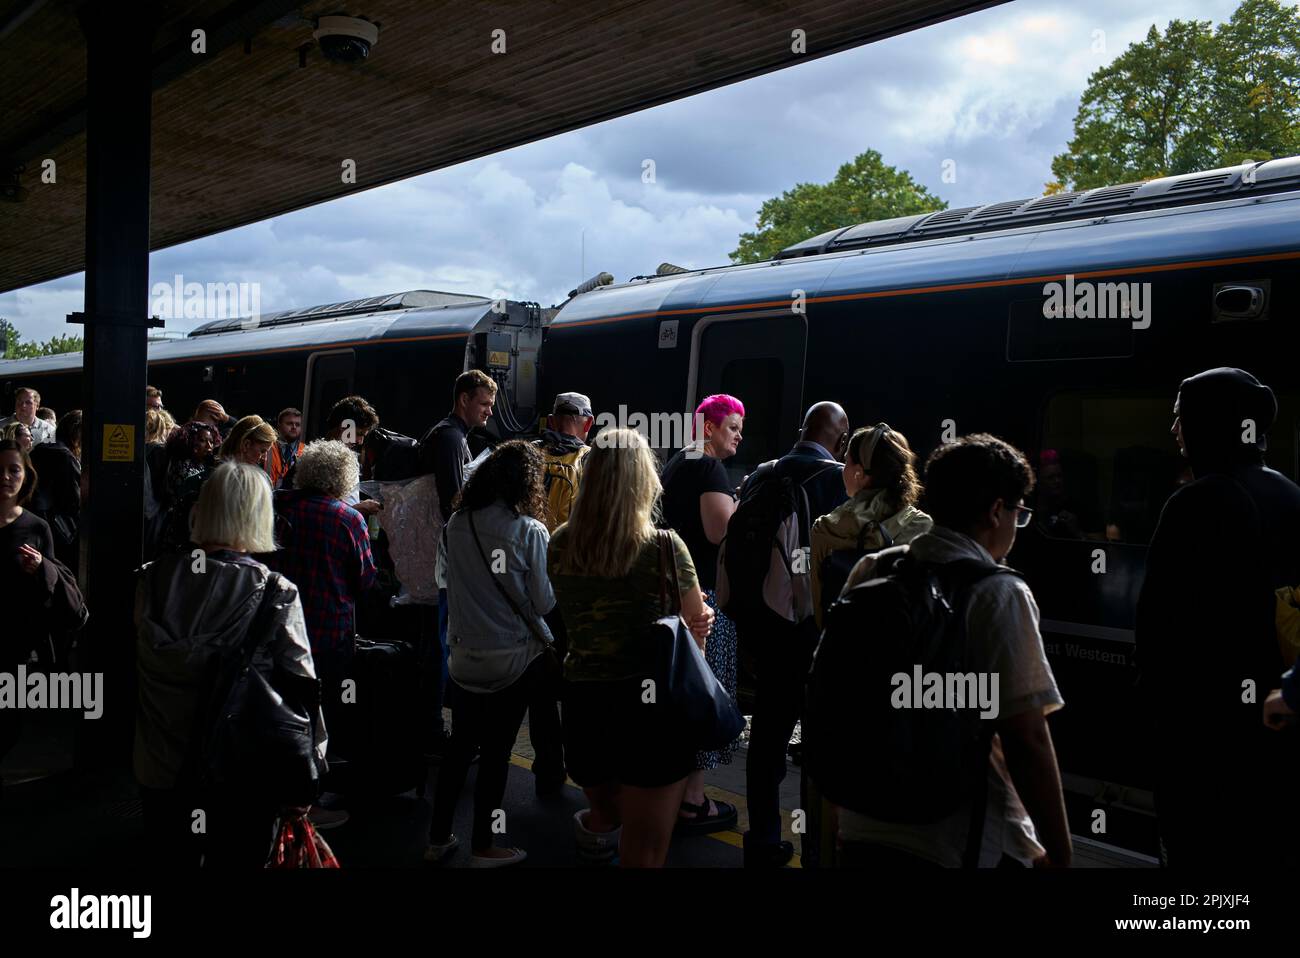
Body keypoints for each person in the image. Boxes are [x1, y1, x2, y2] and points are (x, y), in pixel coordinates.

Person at [836, 433, 1072, 869]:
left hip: (863, 822)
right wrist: (1060, 853)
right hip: (960, 838)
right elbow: (1028, 737)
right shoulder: (999, 592)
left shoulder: (873, 570)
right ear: (996, 510)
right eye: (1018, 513)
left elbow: (837, 695)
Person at [1137, 368, 1300, 868]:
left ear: (1210, 423)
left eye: (1181, 418)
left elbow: (1160, 632)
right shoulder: (1290, 494)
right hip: (1277, 723)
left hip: (1206, 738)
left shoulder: (1197, 501)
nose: (1174, 431)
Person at [134, 461, 326, 867]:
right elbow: (302, 686)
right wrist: (308, 771)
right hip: (241, 769)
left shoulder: (150, 579)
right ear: (260, 515)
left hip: (159, 766)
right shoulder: (276, 592)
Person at [548, 428, 714, 867]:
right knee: (645, 850)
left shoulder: (561, 542)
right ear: (644, 480)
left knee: (606, 813)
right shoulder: (664, 547)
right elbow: (693, 638)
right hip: (651, 711)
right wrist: (699, 624)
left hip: (584, 704)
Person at [425, 441, 557, 867]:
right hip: (513, 660)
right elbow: (543, 603)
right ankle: (485, 842)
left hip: (463, 657)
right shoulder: (529, 531)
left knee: (460, 748)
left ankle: (438, 837)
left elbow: (445, 582)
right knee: (497, 753)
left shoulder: (456, 525)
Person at [732, 400, 849, 867]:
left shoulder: (762, 473)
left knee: (766, 740)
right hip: (811, 633)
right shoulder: (835, 480)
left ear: (803, 429)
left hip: (761, 625)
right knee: (818, 747)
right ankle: (815, 850)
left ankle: (761, 840)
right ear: (840, 440)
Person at [268, 440, 378, 828]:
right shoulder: (347, 519)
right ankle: (308, 805)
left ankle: (278, 794)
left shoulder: (279, 510)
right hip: (329, 632)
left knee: (284, 712)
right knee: (320, 717)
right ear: (343, 478)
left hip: (280, 632)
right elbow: (365, 580)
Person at [418, 370, 498, 758]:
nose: (487, 412)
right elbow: (452, 501)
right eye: (483, 403)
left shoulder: (452, 435)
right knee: (440, 646)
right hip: (443, 560)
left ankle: (435, 727)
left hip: (438, 558)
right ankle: (435, 732)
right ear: (463, 399)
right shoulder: (451, 438)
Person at [0, 439, 85, 775]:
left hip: (16, 641)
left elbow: (52, 588)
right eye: (0, 470)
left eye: (14, 470)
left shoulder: (37, 527)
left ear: (26, 476)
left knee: (8, 724)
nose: (6, 477)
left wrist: (40, 570)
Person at [529, 390, 593, 794]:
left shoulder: (528, 457)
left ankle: (547, 769)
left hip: (533, 588)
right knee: (576, 684)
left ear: (552, 421)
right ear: (587, 422)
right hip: (575, 588)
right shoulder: (590, 462)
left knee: (539, 683)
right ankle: (582, 766)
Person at [810, 423, 932, 627]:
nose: (842, 466)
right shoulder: (924, 528)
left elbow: (821, 614)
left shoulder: (824, 530)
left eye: (846, 460)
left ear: (859, 473)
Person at [29, 410, 82, 573]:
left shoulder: (40, 449)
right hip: (58, 530)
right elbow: (73, 501)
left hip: (34, 523)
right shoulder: (66, 457)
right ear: (77, 433)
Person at [535, 391, 593, 534]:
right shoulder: (590, 458)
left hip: (527, 545)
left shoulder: (529, 450)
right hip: (567, 547)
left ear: (551, 421)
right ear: (589, 423)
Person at [160, 420, 221, 552]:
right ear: (190, 441)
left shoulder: (204, 465)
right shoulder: (182, 465)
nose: (209, 446)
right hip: (180, 528)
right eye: (203, 441)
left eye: (211, 441)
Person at [266, 407, 305, 489]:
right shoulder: (266, 447)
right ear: (279, 426)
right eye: (289, 423)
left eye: (297, 424)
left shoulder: (306, 451)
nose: (294, 427)